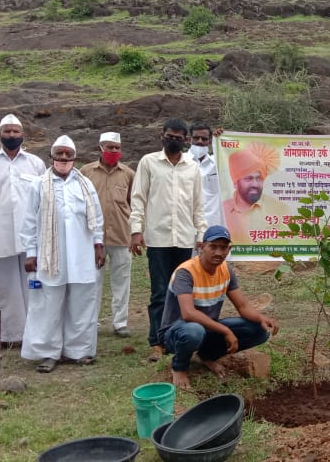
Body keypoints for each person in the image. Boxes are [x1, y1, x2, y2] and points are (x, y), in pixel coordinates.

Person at [21, 136, 105, 373]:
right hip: (49, 256)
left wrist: (98, 244)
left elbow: (97, 218)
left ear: (75, 157)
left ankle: (79, 351)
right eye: (60, 154)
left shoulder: (85, 185)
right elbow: (29, 221)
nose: (64, 159)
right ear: (52, 157)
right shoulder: (39, 184)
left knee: (82, 302)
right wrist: (30, 252)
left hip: (82, 253)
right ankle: (47, 353)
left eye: (69, 154)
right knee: (48, 304)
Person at [159, 225, 279, 389]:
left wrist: (262, 318)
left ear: (229, 249)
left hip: (206, 329)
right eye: (213, 247)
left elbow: (243, 306)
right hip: (176, 333)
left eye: (223, 248)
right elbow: (188, 314)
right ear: (202, 247)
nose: (218, 252)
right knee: (194, 331)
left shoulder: (226, 270)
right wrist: (226, 331)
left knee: (260, 331)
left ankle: (205, 356)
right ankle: (179, 367)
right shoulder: (186, 272)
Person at [130, 118, 208, 362]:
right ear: (162, 135)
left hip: (185, 239)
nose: (174, 140)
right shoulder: (149, 162)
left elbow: (198, 205)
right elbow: (138, 198)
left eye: (178, 137)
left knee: (182, 293)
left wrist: (201, 234)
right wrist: (136, 230)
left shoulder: (191, 167)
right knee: (159, 292)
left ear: (186, 140)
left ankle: (178, 337)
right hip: (158, 238)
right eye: (170, 135)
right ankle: (157, 342)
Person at [0, 113, 46, 349]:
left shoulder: (35, 163)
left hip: (31, 238)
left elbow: (44, 201)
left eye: (16, 131)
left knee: (32, 287)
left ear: (23, 134)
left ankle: (33, 333)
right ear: (0, 134)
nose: (12, 135)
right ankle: (5, 336)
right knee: (1, 288)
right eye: (8, 131)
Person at [79, 132, 135, 337]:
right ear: (100, 149)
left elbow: (133, 204)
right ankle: (90, 322)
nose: (114, 151)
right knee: (92, 281)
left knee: (121, 281)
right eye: (110, 147)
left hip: (121, 235)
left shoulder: (128, 174)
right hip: (93, 238)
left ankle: (120, 323)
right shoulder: (86, 172)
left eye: (117, 148)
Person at [222, 141, 285, 245]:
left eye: (259, 178)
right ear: (235, 183)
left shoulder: (280, 209)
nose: (255, 184)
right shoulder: (222, 210)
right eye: (248, 178)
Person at [188, 122, 225, 228]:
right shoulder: (181, 162)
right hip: (187, 225)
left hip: (212, 224)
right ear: (189, 139)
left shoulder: (218, 163)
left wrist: (221, 139)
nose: (200, 141)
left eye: (204, 139)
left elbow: (236, 155)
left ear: (209, 141)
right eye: (196, 138)